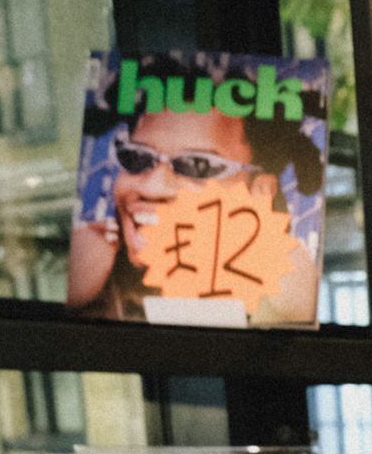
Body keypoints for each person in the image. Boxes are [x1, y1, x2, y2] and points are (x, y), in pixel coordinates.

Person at [67, 60, 325, 324]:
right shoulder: (90, 275)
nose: (152, 186)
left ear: (261, 192)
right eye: (137, 157)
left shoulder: (278, 300)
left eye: (197, 165)